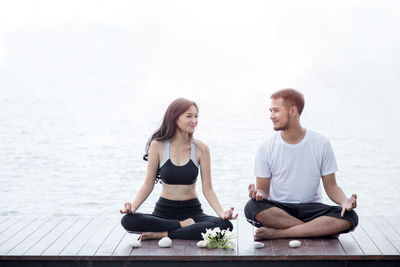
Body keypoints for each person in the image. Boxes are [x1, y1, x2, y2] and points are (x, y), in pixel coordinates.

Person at [244, 89, 358, 240]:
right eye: (270, 111)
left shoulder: (321, 143)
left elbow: (331, 186)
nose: (271, 116)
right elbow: (263, 191)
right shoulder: (266, 147)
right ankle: (318, 230)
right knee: (252, 207)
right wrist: (258, 194)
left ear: (293, 111)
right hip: (279, 209)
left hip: (312, 209)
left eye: (276, 111)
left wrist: (345, 201)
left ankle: (281, 233)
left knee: (350, 216)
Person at [120, 98, 237, 240]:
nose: (194, 120)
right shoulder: (158, 146)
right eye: (189, 116)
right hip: (163, 211)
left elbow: (208, 189)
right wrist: (132, 208)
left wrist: (221, 213)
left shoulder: (201, 149)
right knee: (128, 220)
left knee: (225, 226)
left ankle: (165, 233)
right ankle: (182, 226)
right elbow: (148, 184)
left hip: (193, 211)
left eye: (196, 116)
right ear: (175, 118)